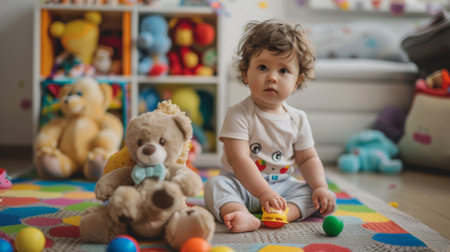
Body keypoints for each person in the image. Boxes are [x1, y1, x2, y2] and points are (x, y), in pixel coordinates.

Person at [204, 19, 336, 233]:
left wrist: (320, 187)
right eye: (263, 67)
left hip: (282, 188)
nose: (272, 77)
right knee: (215, 186)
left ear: (298, 81)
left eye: (283, 71)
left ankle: (283, 214)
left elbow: (308, 158)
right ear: (246, 73)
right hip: (241, 186)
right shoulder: (238, 114)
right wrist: (264, 193)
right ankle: (241, 214)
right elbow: (239, 159)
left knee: (312, 193)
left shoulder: (298, 118)